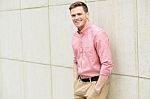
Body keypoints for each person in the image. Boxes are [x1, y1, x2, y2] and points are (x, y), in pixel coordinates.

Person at [69, 1, 113, 99]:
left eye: (79, 14)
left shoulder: (98, 34)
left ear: (87, 14)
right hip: (80, 85)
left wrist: (97, 88)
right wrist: (76, 82)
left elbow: (107, 63)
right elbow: (75, 61)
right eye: (73, 15)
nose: (76, 18)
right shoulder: (75, 36)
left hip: (95, 84)